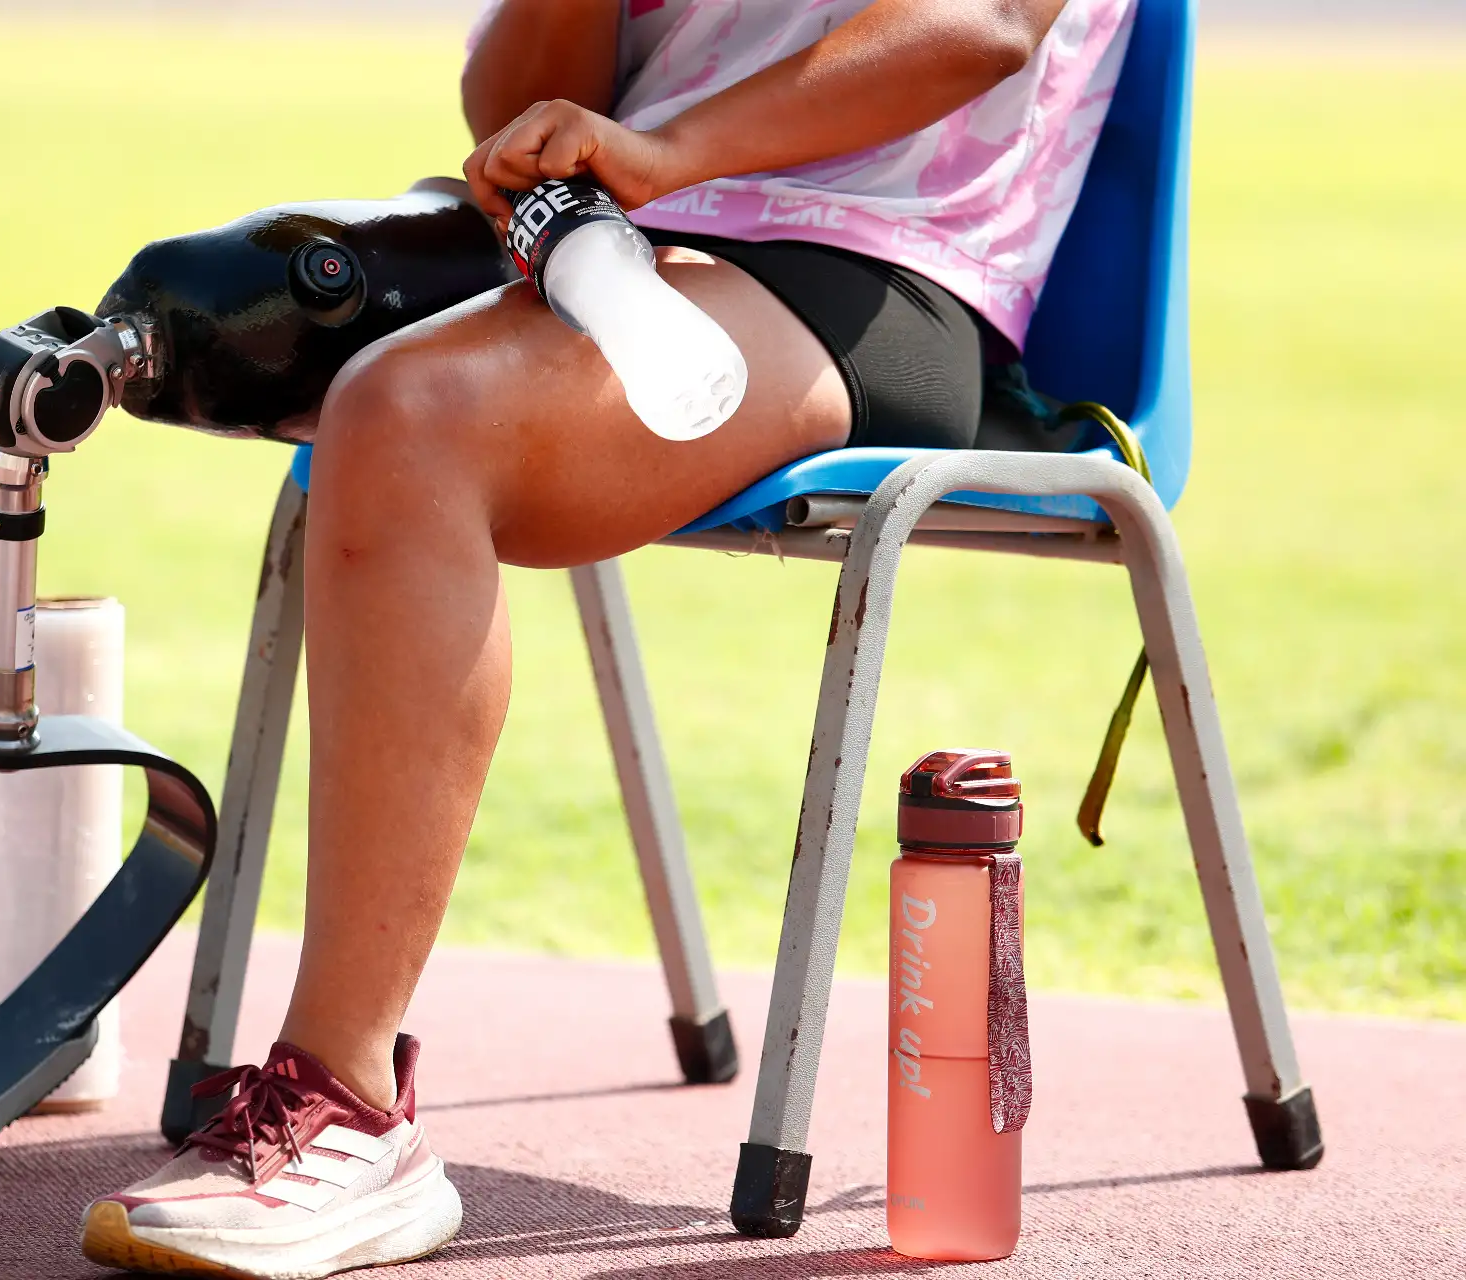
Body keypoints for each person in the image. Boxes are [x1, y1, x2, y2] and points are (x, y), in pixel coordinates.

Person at [79, 0, 1137, 1274]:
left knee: (410, 416)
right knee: (243, 310)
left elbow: (982, 24)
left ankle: (348, 1110)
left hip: (877, 263)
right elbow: (512, 96)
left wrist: (676, 150)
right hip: (612, 231)